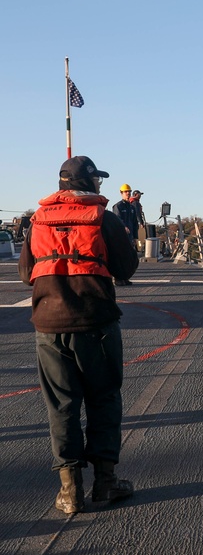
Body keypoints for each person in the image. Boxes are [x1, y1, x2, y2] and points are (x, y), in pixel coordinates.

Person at [18, 156, 139, 514]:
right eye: (97, 180)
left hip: (49, 325)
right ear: (90, 183)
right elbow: (126, 268)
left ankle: (70, 491)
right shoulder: (104, 218)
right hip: (95, 322)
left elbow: (27, 275)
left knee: (62, 405)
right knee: (103, 400)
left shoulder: (38, 220)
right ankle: (105, 483)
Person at [112, 185, 139, 286]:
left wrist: (135, 237)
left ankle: (125, 277)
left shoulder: (132, 207)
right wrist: (123, 227)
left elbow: (135, 223)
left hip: (130, 237)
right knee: (119, 257)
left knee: (128, 258)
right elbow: (117, 219)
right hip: (120, 237)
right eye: (125, 191)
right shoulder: (118, 206)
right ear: (121, 193)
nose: (127, 193)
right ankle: (118, 278)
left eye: (129, 191)